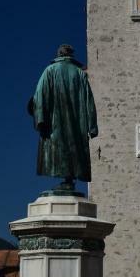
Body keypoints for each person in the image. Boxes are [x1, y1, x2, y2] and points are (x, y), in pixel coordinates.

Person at [27, 44, 98, 185]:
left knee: (58, 150)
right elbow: (89, 101)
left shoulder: (50, 71)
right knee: (74, 151)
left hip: (55, 124)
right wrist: (92, 126)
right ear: (71, 55)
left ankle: (66, 177)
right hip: (77, 126)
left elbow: (39, 96)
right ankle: (69, 178)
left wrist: (40, 119)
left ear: (59, 54)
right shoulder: (79, 74)